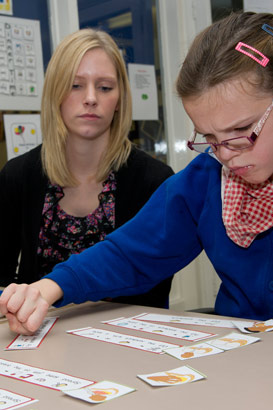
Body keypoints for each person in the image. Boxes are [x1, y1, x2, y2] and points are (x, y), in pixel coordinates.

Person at [1, 11, 273, 335]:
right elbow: (131, 253)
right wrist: (49, 287)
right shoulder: (205, 179)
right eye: (209, 138)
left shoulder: (153, 174)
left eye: (241, 130)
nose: (225, 153)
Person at [0, 28, 174, 309]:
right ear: (55, 93)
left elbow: (152, 286)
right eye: (75, 85)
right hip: (37, 340)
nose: (91, 98)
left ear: (119, 100)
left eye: (105, 87)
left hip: (125, 341)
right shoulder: (18, 176)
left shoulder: (154, 181)